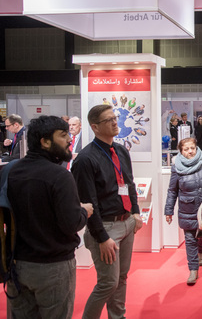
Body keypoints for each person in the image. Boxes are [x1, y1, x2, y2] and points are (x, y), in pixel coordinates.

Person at [6, 115, 93, 319]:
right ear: (45, 141)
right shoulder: (60, 176)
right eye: (63, 135)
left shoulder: (11, 171)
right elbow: (71, 223)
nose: (69, 139)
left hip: (17, 264)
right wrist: (84, 211)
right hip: (52, 266)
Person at [72, 104, 143, 319]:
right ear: (94, 127)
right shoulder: (85, 159)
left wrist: (136, 212)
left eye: (115, 118)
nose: (115, 122)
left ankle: (117, 317)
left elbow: (129, 183)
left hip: (127, 222)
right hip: (105, 227)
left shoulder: (120, 150)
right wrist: (101, 237)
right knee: (107, 283)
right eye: (108, 120)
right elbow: (88, 202)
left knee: (121, 278)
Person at [165, 138, 202, 284]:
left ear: (196, 147)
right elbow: (172, 191)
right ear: (180, 151)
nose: (190, 151)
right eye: (186, 149)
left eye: (192, 148)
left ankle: (201, 253)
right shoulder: (176, 168)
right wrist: (169, 210)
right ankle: (193, 269)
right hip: (188, 208)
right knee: (190, 239)